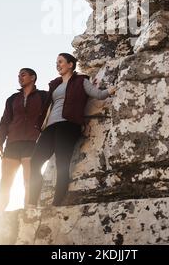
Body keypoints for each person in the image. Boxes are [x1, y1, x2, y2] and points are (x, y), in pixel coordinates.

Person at [28, 53, 115, 207]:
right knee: (35, 162)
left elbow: (98, 94)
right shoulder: (54, 84)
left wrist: (113, 89)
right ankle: (31, 203)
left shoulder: (81, 81)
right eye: (56, 62)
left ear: (70, 64)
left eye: (60, 62)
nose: (57, 64)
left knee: (62, 162)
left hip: (68, 125)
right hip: (50, 127)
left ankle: (57, 203)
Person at [0, 68, 48, 216]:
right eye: (18, 75)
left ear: (33, 77)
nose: (20, 77)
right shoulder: (12, 99)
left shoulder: (43, 96)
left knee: (29, 181)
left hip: (32, 142)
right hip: (12, 143)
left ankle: (28, 213)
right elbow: (4, 121)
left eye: (23, 75)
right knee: (5, 182)